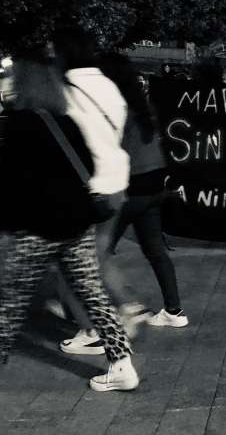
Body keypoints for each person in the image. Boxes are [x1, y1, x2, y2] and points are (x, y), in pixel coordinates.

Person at [0, 56, 138, 391]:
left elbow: (10, 181)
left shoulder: (16, 125)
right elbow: (88, 167)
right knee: (94, 295)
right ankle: (122, 366)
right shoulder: (68, 123)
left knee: (10, 302)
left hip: (36, 228)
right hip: (76, 224)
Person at [49, 27, 146, 356]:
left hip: (83, 188)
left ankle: (94, 330)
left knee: (69, 264)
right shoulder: (109, 87)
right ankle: (126, 305)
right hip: (116, 181)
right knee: (100, 255)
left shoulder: (62, 91)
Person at [97, 54, 188, 327]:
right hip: (154, 187)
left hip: (128, 188)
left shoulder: (115, 107)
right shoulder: (145, 107)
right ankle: (174, 311)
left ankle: (97, 318)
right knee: (156, 251)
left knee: (96, 255)